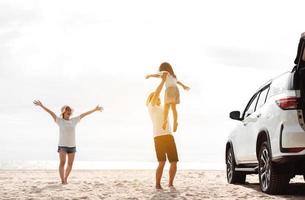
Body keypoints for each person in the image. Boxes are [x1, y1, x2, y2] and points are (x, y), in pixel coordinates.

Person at [33, 100, 103, 184]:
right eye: (67, 110)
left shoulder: (74, 120)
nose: (69, 112)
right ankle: (62, 180)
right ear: (63, 112)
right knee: (62, 163)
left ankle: (65, 178)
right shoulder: (59, 121)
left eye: (70, 110)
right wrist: (42, 105)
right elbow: (51, 113)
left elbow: (84, 114)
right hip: (62, 146)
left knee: (70, 165)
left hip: (72, 146)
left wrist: (95, 109)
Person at [146, 72, 179, 190]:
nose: (158, 98)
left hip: (169, 136)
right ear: (151, 100)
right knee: (162, 162)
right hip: (158, 137)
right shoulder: (151, 107)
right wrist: (161, 81)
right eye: (156, 97)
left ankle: (170, 183)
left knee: (174, 161)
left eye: (159, 98)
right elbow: (158, 92)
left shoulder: (163, 108)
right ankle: (157, 184)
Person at [146, 62, 190, 132]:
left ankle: (164, 121)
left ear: (163, 68)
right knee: (173, 108)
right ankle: (175, 122)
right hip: (176, 90)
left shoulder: (165, 72)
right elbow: (177, 82)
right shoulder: (174, 76)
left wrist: (150, 75)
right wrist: (184, 86)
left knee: (166, 107)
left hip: (169, 90)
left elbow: (157, 75)